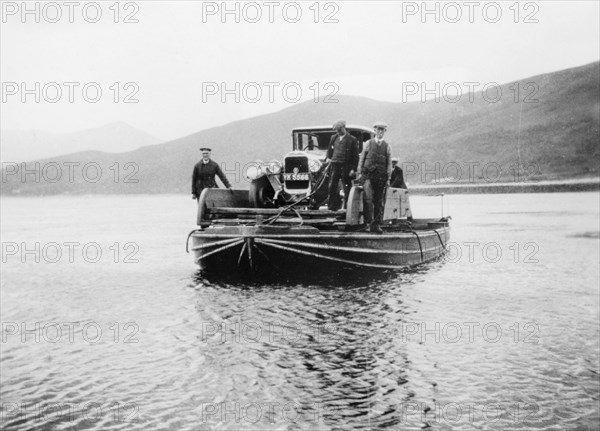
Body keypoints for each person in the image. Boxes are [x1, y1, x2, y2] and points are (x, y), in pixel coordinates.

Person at [357, 121, 392, 233]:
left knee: (378, 201)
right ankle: (368, 223)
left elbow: (389, 164)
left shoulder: (387, 146)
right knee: (367, 199)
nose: (380, 131)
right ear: (375, 131)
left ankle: (376, 225)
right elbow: (362, 158)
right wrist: (359, 172)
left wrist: (388, 178)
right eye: (378, 129)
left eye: (382, 130)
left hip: (381, 177)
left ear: (384, 131)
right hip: (367, 175)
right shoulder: (368, 143)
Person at [325, 120, 359, 211]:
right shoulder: (333, 138)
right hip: (335, 165)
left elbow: (355, 156)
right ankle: (332, 207)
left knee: (346, 186)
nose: (338, 131)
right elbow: (329, 151)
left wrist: (353, 169)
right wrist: (328, 158)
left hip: (346, 166)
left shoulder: (352, 139)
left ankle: (347, 207)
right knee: (332, 185)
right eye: (336, 130)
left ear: (344, 128)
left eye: (339, 129)